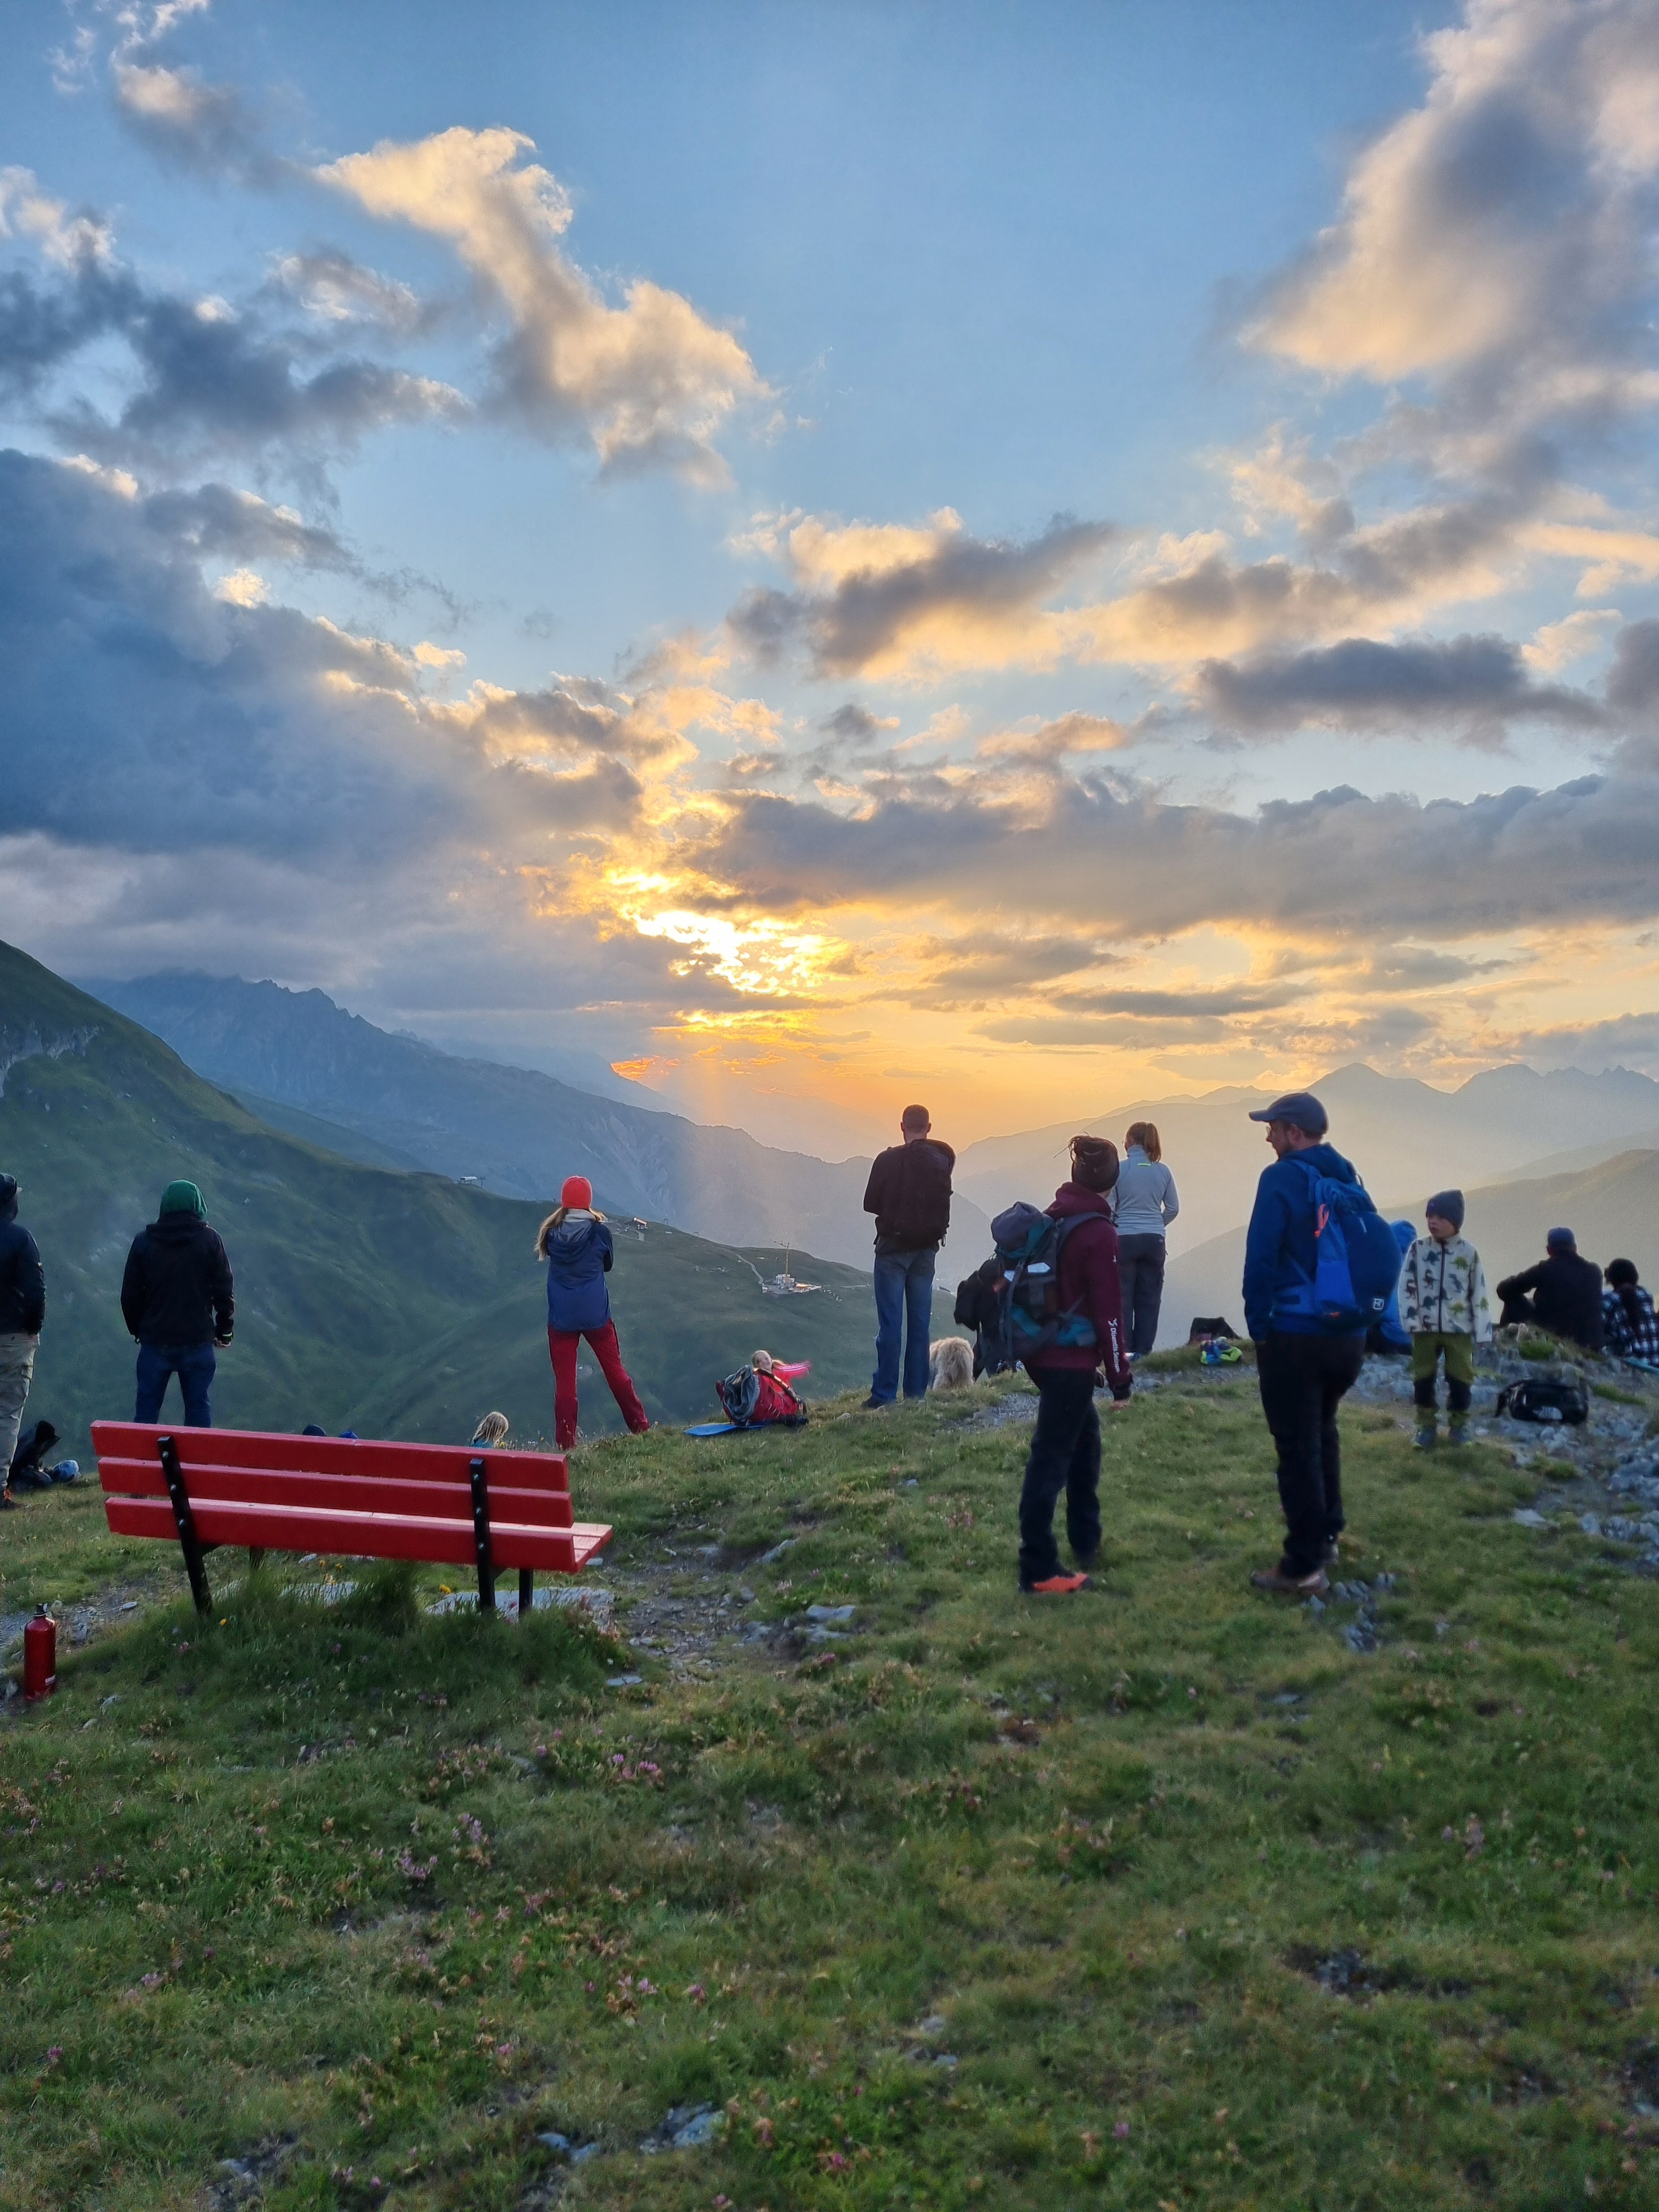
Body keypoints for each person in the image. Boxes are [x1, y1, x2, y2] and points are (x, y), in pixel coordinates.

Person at [1242, 1091, 1378, 1596]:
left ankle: (1303, 1566)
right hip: (1348, 1337)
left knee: (1296, 1446)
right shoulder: (1347, 1175)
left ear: (1295, 1133)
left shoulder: (1280, 1178)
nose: (1269, 1137)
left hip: (1296, 1334)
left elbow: (1262, 1256)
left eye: (1274, 1128)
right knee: (1322, 1430)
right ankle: (1328, 1535)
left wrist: (1258, 1325)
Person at [1016, 1135, 1132, 1595]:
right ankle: (1038, 1567)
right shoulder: (1100, 1233)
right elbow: (1110, 1314)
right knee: (1050, 1458)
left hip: (1042, 1354)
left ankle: (1087, 1540)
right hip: (1069, 1362)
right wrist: (1120, 1379)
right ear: (1112, 1181)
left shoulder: (1055, 1216)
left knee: (1085, 1442)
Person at [537, 1176, 650, 1449]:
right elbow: (607, 1265)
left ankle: (566, 1444)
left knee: (565, 1384)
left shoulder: (551, 1233)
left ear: (564, 1201)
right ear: (588, 1201)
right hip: (596, 1316)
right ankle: (641, 1428)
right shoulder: (600, 1233)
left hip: (562, 1319)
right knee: (615, 1372)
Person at [862, 1104, 955, 1407]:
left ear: (902, 1126)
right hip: (926, 1251)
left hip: (892, 1251)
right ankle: (916, 1395)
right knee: (919, 1325)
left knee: (890, 1326)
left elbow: (870, 1203)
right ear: (929, 1128)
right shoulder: (943, 1158)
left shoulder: (886, 1160)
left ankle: (884, 1395)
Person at [120, 1180, 233, 1427]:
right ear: (197, 1206)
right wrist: (224, 1331)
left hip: (155, 1342)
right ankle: (197, 1452)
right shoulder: (210, 1241)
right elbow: (224, 1290)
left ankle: (141, 1453)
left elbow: (129, 1295)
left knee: (146, 1412)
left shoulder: (143, 1242)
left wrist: (138, 1330)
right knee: (198, 1409)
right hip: (197, 1341)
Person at [1398, 1190, 1491, 1449]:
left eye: (1440, 1217)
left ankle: (1459, 1426)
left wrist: (1483, 1330)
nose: (1433, 1222)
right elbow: (1407, 1287)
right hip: (1424, 1328)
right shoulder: (1418, 1250)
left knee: (1461, 1378)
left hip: (1459, 1329)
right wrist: (1410, 1320)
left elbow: (1479, 1292)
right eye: (1430, 1216)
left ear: (1455, 1221)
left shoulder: (1468, 1253)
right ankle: (1425, 1425)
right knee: (1423, 1378)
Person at [1112, 1121, 1179, 1358]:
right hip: (1154, 1241)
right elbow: (1173, 1208)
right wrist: (1156, 1224)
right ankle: (1144, 1352)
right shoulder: (1163, 1171)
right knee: (1150, 1299)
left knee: (1122, 1298)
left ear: (1130, 1140)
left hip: (1124, 1239)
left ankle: (1125, 1352)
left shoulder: (1118, 1170)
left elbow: (1110, 1207)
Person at [0, 1174, 45, 1512]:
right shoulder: (20, 1239)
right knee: (7, 1414)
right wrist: (33, 1328)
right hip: (14, 1338)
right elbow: (35, 1292)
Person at [1496, 1229, 1604, 1353]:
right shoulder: (1594, 1271)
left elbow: (1504, 1290)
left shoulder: (1546, 1269)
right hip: (1591, 1342)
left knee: (1513, 1300)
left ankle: (1503, 1346)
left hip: (1555, 1335)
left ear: (1549, 1250)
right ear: (1575, 1248)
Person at [1602, 1260, 1659, 1365]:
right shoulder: (1646, 1294)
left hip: (1632, 1366)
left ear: (1612, 1280)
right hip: (1655, 1365)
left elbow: (1597, 1332)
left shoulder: (1610, 1301)